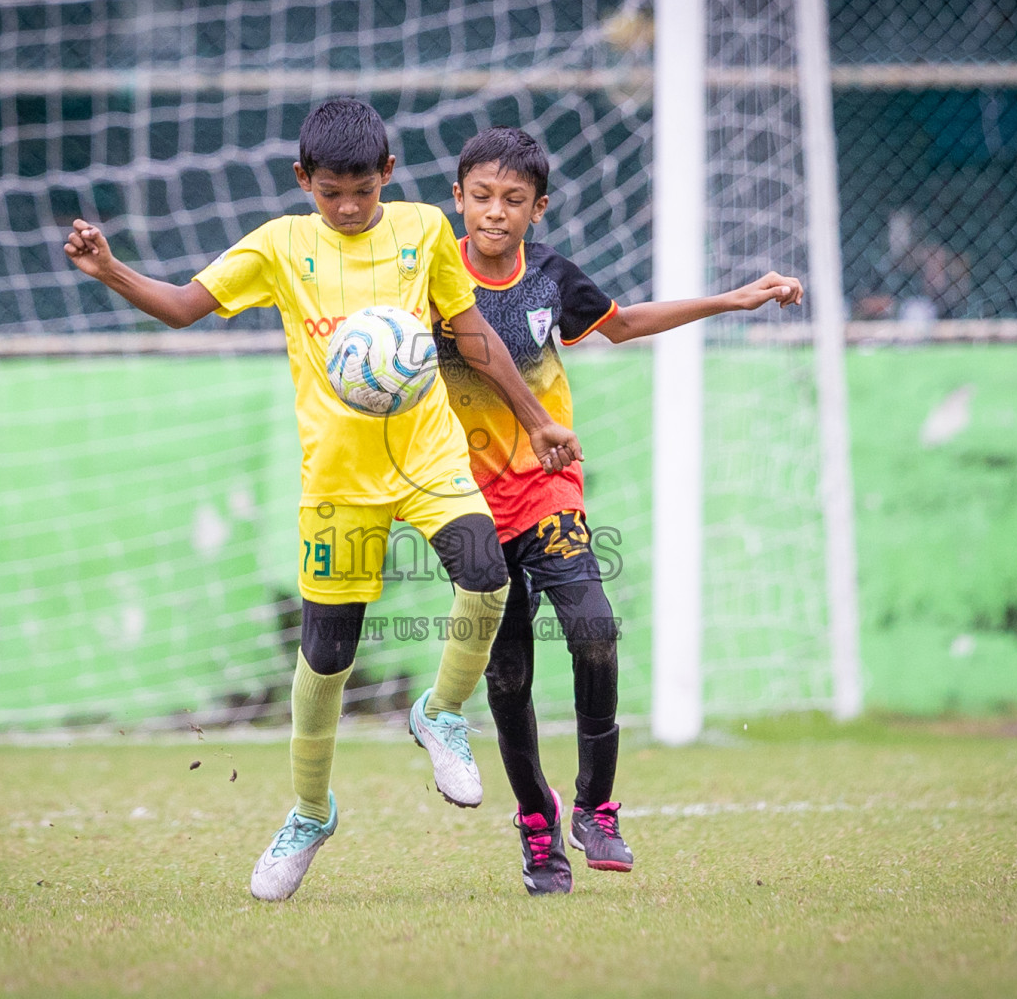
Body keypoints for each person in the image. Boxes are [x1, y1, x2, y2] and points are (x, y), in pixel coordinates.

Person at [63, 99, 582, 902]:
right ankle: (309, 813)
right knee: (327, 659)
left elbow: (472, 329)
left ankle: (440, 712)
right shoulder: (278, 246)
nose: (346, 209)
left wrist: (537, 418)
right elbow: (181, 307)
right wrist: (110, 271)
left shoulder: (419, 233)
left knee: (485, 571)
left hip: (428, 457)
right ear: (303, 180)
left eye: (361, 193)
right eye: (330, 192)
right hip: (338, 482)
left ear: (389, 175)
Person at [436, 126, 802, 895]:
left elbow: (624, 324)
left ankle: (594, 808)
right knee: (507, 677)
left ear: (538, 209)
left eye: (512, 200)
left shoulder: (551, 279)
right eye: (480, 197)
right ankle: (537, 826)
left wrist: (733, 297)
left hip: (545, 488)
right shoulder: (432, 276)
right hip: (465, 505)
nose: (494, 213)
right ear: (457, 198)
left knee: (594, 628)